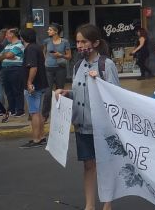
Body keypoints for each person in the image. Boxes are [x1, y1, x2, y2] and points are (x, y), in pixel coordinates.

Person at [55, 24, 119, 210]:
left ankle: (108, 205)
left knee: (106, 166)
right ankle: (89, 206)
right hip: (82, 125)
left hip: (102, 127)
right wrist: (66, 93)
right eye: (77, 41)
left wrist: (98, 81)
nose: (80, 45)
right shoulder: (77, 66)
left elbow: (115, 96)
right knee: (88, 166)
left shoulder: (106, 64)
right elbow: (78, 93)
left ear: (96, 43)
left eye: (84, 41)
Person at [19, 28, 50, 149]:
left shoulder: (30, 49)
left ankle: (36, 139)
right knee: (38, 111)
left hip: (34, 86)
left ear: (22, 38)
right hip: (41, 84)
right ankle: (41, 137)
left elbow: (33, 67)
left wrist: (29, 82)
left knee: (34, 112)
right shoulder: (37, 47)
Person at [43, 23, 71, 121]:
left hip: (60, 68)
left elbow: (69, 56)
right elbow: (44, 52)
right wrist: (45, 61)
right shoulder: (46, 41)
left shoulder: (65, 42)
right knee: (47, 93)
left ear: (56, 31)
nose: (48, 31)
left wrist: (61, 55)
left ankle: (60, 113)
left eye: (50, 30)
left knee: (60, 92)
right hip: (48, 69)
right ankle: (45, 115)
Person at [0, 28, 25, 117]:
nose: (5, 36)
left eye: (7, 34)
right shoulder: (8, 46)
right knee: (8, 91)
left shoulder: (20, 44)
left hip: (15, 69)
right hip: (5, 69)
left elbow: (8, 55)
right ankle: (12, 109)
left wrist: (6, 56)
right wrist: (8, 56)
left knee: (17, 90)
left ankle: (20, 110)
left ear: (12, 34)